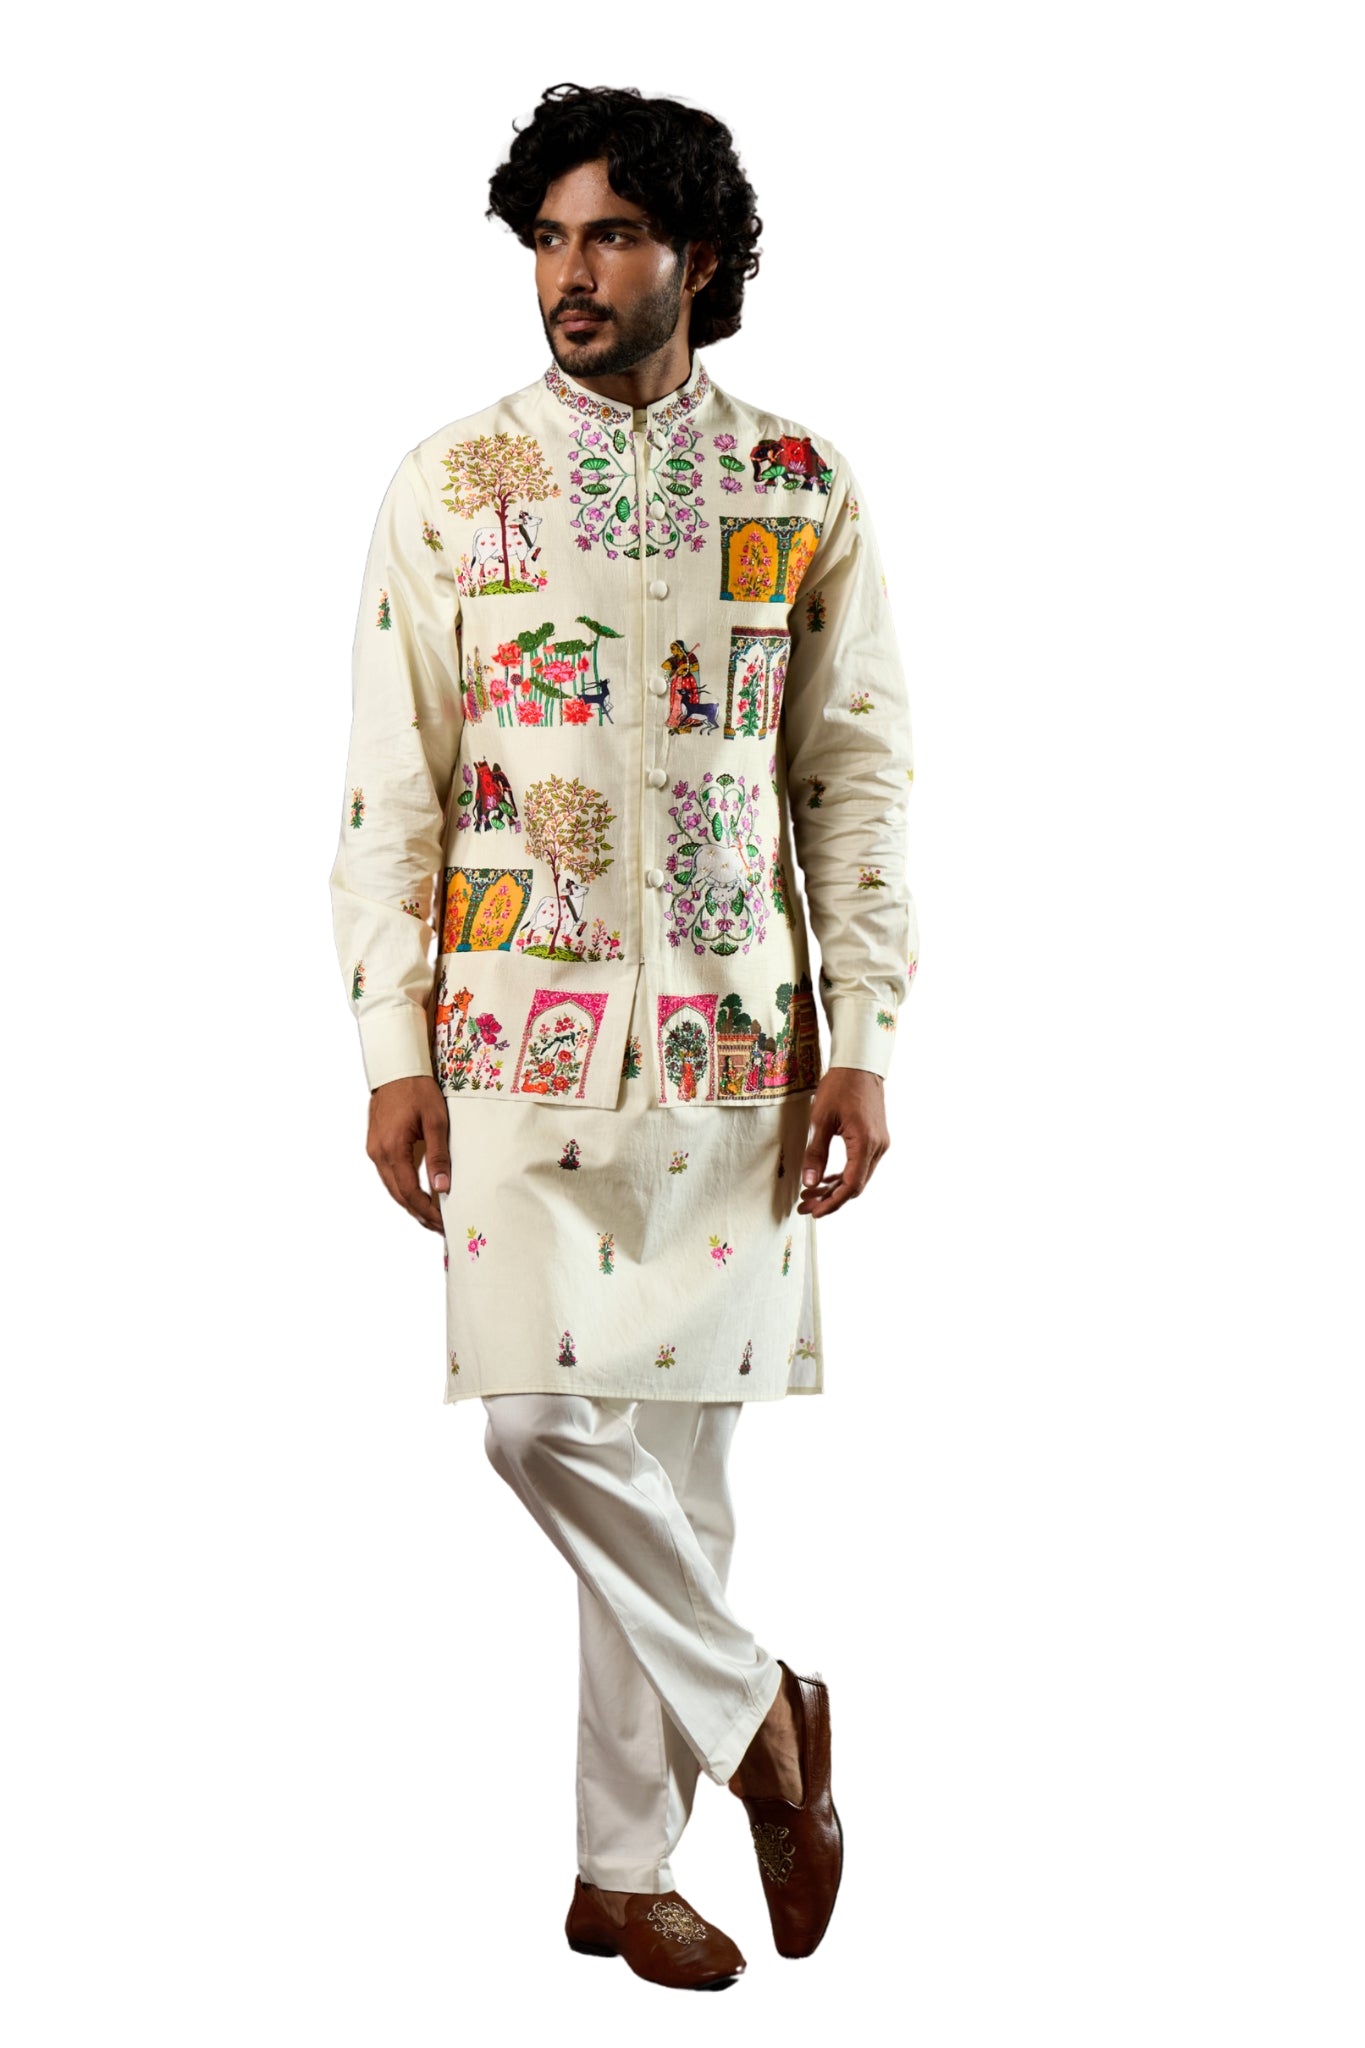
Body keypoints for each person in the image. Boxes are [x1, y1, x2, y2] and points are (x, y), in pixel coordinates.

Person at [330, 81, 919, 1991]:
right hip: (511, 1036)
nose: (568, 275)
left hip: (740, 1049)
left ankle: (620, 1871)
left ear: (699, 257)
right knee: (535, 1421)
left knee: (682, 1477)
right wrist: (388, 1044)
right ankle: (765, 1717)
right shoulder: (451, 483)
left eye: (610, 235)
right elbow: (395, 790)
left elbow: (849, 779)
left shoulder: (800, 484)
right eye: (548, 240)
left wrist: (863, 1034)